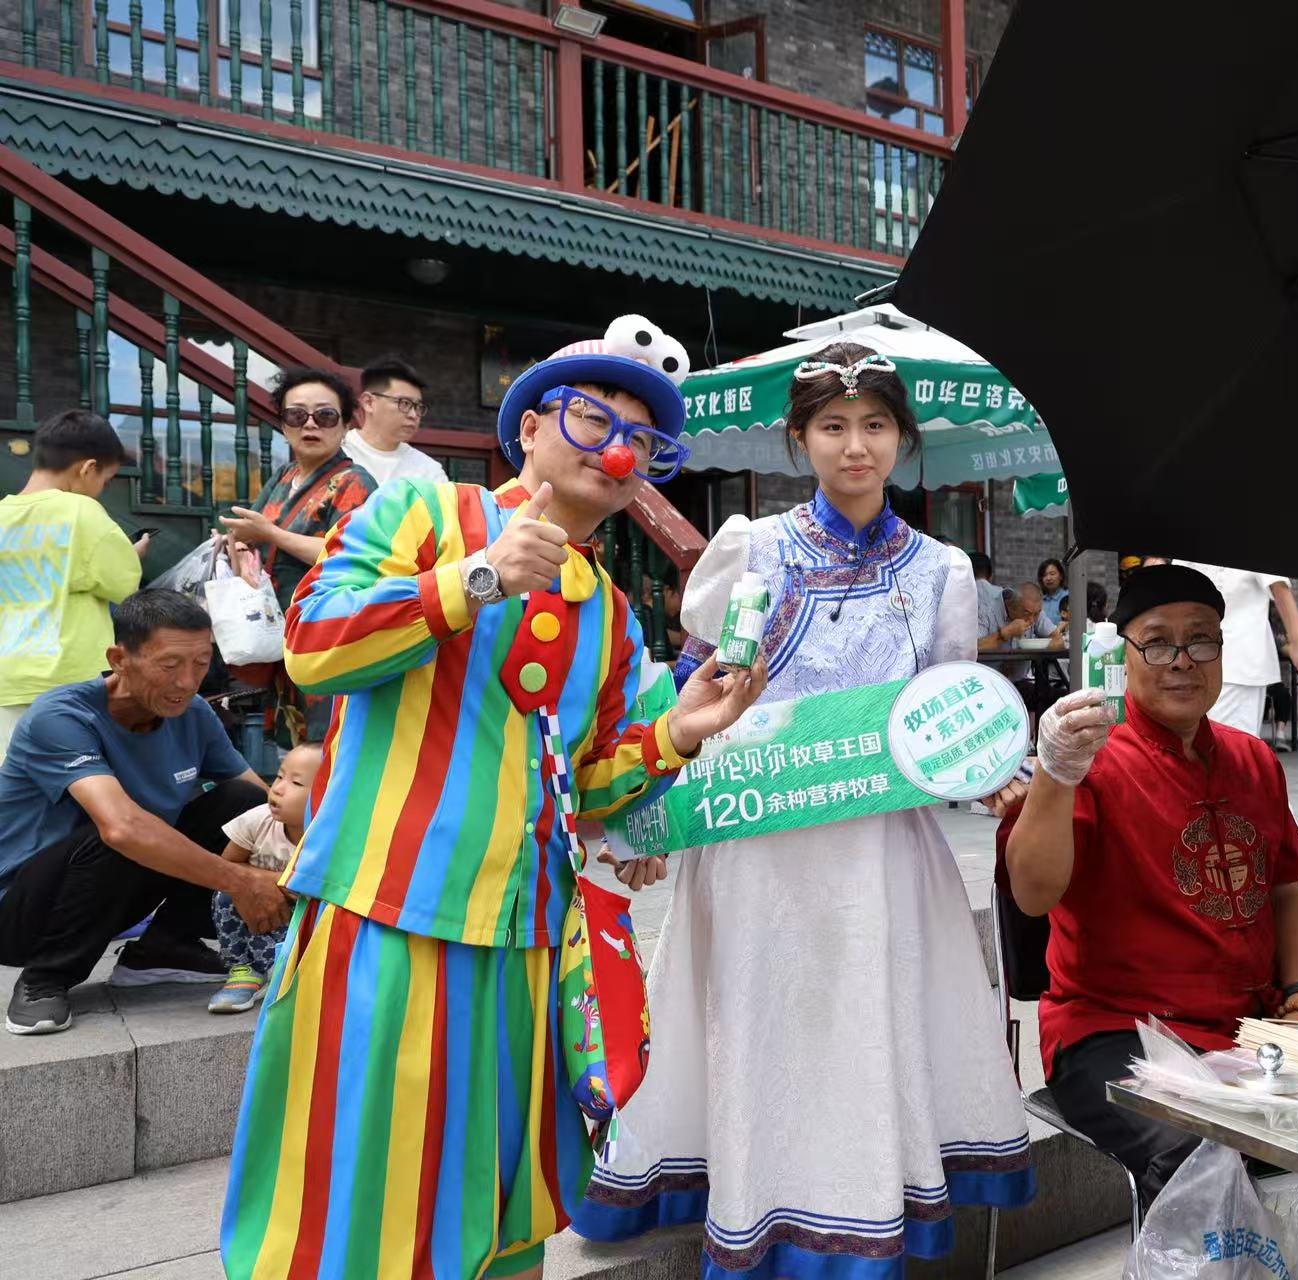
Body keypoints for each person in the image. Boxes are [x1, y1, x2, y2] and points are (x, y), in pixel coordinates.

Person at [221, 326, 766, 1280]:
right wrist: (477, 580)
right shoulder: (427, 511)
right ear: (531, 427)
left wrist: (679, 732)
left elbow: (586, 781)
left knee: (501, 1196)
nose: (618, 452)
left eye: (643, 441)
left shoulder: (609, 610)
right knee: (361, 1193)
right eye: (594, 419)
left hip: (529, 941)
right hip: (389, 917)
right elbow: (312, 644)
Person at [579, 342, 1035, 1275]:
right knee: (760, 1020)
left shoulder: (941, 569)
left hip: (880, 843)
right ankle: (754, 1197)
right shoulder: (751, 547)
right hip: (757, 833)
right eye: (833, 427)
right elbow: (695, 692)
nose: (855, 446)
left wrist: (993, 770)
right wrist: (649, 812)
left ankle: (864, 1202)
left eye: (874, 426)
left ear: (902, 439)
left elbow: (948, 705)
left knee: (869, 1020)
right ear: (800, 439)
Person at [997, 564, 1298, 1205]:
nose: (1180, 660)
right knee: (1201, 1148)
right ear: (1125, 655)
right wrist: (1056, 777)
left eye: (1200, 640)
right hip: (1118, 1029)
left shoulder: (1252, 758)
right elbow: (1032, 895)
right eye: (1157, 642)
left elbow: (1285, 890)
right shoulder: (1090, 760)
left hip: (1251, 1022)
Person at [0, 590, 280, 1036]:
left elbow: (265, 803)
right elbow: (121, 828)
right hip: (24, 910)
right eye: (169, 665)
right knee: (121, 830)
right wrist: (243, 881)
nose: (187, 682)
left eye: (201, 663)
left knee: (242, 805)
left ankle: (164, 948)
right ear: (119, 659)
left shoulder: (194, 715)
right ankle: (45, 978)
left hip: (115, 890)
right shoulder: (60, 717)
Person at [217, 365, 376, 745]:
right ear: (283, 425)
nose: (310, 425)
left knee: (322, 747)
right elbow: (254, 534)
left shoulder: (355, 482)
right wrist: (237, 542)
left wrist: (271, 534)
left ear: (346, 425)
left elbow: (354, 555)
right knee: (290, 749)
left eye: (325, 416)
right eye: (296, 415)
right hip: (280, 633)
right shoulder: (285, 476)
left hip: (328, 634)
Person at [0, 410, 148, 758]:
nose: (101, 490)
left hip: (7, 679)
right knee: (80, 780)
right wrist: (131, 554)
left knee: (13, 783)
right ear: (87, 468)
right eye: (105, 480)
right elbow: (123, 585)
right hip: (69, 679)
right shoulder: (82, 512)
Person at [205, 741, 321, 1014]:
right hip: (258, 918)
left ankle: (295, 970)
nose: (278, 788)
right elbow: (227, 867)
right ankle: (245, 970)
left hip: (303, 921)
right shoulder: (257, 821)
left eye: (296, 782)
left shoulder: (332, 837)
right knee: (227, 893)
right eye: (279, 776)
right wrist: (277, 879)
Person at [1174, 561, 1298, 740]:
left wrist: (1297, 642)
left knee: (1231, 742)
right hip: (1197, 661)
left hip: (1241, 664)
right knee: (1198, 741)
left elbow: (1279, 587)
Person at [342, 353, 449, 488]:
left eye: (418, 406)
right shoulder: (339, 452)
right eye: (404, 403)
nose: (413, 415)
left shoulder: (428, 471)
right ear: (368, 402)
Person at [1038, 556, 1070, 626]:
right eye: (1044, 575)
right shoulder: (1038, 600)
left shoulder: (1069, 597)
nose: (1048, 578)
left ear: (1061, 576)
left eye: (1052, 574)